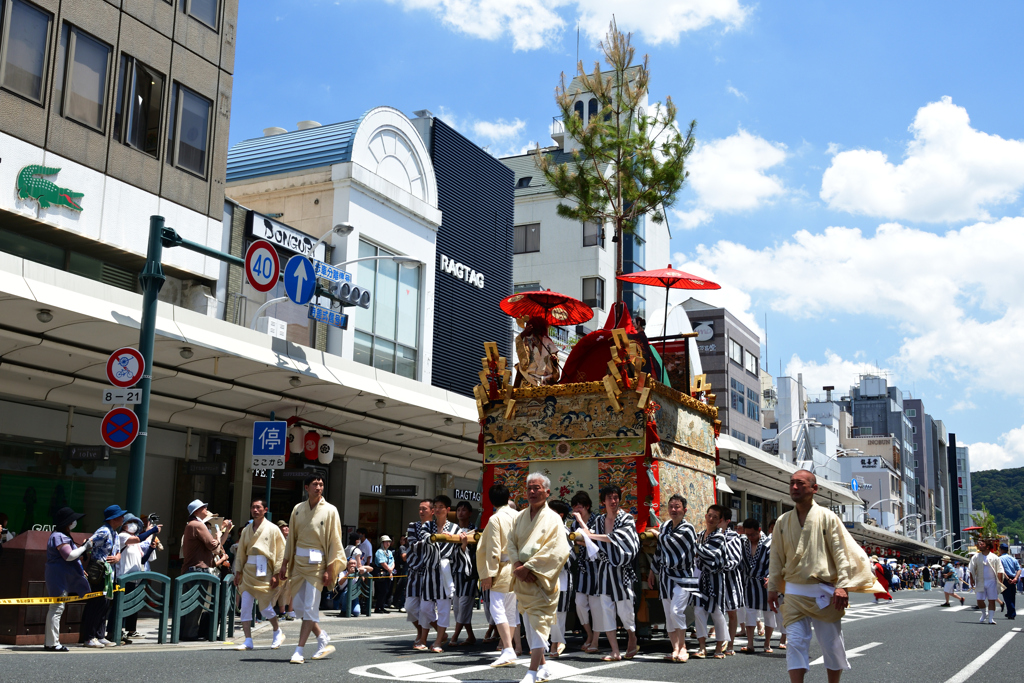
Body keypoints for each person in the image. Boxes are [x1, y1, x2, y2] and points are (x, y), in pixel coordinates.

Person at [767, 470, 882, 683]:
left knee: (831, 644)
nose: (794, 487)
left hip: (824, 591)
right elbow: (776, 557)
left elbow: (841, 554)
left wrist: (842, 585)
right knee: (795, 642)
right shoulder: (783, 521)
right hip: (794, 591)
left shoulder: (828, 517)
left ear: (814, 488)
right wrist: (772, 587)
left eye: (800, 484)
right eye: (791, 483)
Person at [508, 472, 570, 683]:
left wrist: (530, 567)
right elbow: (511, 542)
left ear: (547, 492)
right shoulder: (519, 517)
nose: (532, 492)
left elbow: (557, 549)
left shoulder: (553, 518)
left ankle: (532, 671)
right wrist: (517, 565)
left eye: (537, 488)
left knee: (539, 625)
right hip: (522, 578)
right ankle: (543, 666)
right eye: (529, 488)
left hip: (541, 579)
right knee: (530, 625)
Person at [279, 474, 344, 663]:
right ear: (306, 487)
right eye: (315, 484)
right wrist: (284, 563)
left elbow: (335, 541)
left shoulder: (331, 510)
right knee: (299, 608)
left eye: (321, 484)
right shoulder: (297, 509)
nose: (319, 487)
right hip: (298, 562)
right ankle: (322, 637)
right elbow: (291, 539)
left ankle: (299, 650)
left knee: (309, 607)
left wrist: (329, 568)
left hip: (318, 564)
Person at [572, 485, 639, 661]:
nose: (613, 501)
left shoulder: (627, 518)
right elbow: (592, 541)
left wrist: (591, 537)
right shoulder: (599, 521)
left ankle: (632, 636)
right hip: (603, 571)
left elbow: (619, 539)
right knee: (606, 610)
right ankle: (615, 651)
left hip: (621, 571)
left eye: (616, 497)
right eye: (609, 498)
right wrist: (586, 537)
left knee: (626, 611)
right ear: (603, 501)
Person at [647, 494, 696, 662]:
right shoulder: (666, 525)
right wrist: (653, 571)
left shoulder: (688, 528)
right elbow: (660, 550)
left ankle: (683, 647)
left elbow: (672, 542)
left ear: (684, 509)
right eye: (671, 507)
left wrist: (656, 533)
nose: (674, 510)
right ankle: (675, 647)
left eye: (677, 507)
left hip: (685, 576)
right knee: (669, 614)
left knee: (677, 611)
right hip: (666, 576)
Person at [234, 498, 286, 651]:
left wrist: (276, 573)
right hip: (249, 570)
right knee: (245, 606)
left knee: (265, 608)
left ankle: (277, 631)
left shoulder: (273, 529)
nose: (255, 510)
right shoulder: (246, 530)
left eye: (258, 507)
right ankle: (248, 639)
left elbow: (281, 552)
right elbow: (241, 552)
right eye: (253, 508)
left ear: (265, 510)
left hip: (265, 571)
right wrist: (238, 571)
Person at [477, 483, 520, 667]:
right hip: (518, 566)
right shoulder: (519, 515)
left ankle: (508, 648)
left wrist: (489, 573)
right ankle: (507, 648)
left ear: (491, 500)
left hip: (501, 567)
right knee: (510, 610)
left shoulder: (496, 518)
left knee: (497, 608)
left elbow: (494, 548)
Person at [44, 507, 92, 652]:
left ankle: (51, 642)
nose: (74, 522)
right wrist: (85, 547)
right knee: (56, 608)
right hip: (58, 577)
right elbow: (69, 555)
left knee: (56, 608)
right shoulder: (59, 536)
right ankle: (52, 643)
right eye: (72, 520)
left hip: (60, 576)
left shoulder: (59, 535)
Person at [81, 504, 126, 648]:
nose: (123, 518)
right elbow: (89, 543)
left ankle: (100, 635)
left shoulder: (115, 533)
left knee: (104, 604)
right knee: (96, 604)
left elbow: (118, 551)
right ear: (113, 518)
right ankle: (89, 636)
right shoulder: (104, 531)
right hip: (99, 572)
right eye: (120, 516)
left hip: (109, 574)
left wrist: (118, 557)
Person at [420, 495, 460, 652]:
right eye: (435, 506)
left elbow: (459, 550)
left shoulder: (455, 528)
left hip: (445, 571)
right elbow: (425, 539)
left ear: (448, 509)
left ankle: (437, 642)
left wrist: (459, 541)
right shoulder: (427, 526)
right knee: (424, 608)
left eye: (440, 506)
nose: (437, 509)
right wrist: (442, 537)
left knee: (443, 608)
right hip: (429, 570)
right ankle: (439, 633)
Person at [116, 514, 160, 642]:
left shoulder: (135, 541)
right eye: (130, 522)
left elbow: (142, 560)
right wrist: (152, 530)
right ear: (124, 524)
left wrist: (151, 549)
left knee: (133, 605)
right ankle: (116, 631)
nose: (133, 525)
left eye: (135, 522)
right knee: (121, 606)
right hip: (123, 577)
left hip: (135, 578)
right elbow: (139, 539)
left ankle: (130, 630)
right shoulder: (122, 536)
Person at [694, 504, 730, 659]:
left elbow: (709, 554)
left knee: (716, 612)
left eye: (715, 517)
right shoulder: (700, 535)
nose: (711, 519)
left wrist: (693, 545)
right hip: (701, 577)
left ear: (720, 520)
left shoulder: (719, 536)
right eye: (709, 515)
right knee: (698, 611)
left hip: (715, 578)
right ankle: (702, 647)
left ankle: (719, 647)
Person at [740, 518, 775, 654]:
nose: (750, 537)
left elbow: (774, 563)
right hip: (750, 582)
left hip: (765, 582)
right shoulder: (744, 543)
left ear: (759, 530)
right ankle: (750, 644)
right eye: (747, 534)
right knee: (750, 612)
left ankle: (767, 643)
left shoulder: (769, 543)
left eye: (752, 534)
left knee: (769, 612)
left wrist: (771, 577)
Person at [569, 491, 598, 653]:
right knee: (580, 604)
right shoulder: (573, 525)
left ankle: (594, 639)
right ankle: (589, 633)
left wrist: (581, 524)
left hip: (597, 567)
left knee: (596, 605)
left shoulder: (597, 520)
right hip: (582, 567)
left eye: (579, 508)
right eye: (574, 508)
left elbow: (594, 541)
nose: (576, 511)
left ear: (587, 507)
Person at [545, 499, 573, 658]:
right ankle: (553, 642)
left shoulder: (564, 531)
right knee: (550, 612)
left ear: (560, 515)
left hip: (561, 579)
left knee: (559, 613)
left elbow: (570, 556)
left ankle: (557, 643)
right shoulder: (547, 529)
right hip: (549, 578)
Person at [406, 499, 435, 648]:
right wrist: (432, 540)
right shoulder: (413, 526)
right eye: (420, 509)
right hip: (414, 571)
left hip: (431, 572)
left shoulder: (436, 527)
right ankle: (436, 630)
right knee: (410, 607)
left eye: (424, 509)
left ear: (432, 511)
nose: (421, 511)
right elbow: (413, 546)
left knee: (425, 608)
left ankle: (422, 637)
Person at [449, 501, 479, 645]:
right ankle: (471, 636)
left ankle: (454, 637)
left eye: (464, 510)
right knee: (458, 607)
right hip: (455, 572)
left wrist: (465, 545)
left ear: (470, 513)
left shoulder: (475, 530)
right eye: (458, 510)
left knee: (464, 604)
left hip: (470, 572)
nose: (460, 512)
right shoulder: (452, 530)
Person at [969, 540, 1005, 625]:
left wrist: (1000, 582)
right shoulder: (976, 556)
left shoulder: (995, 557)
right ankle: (984, 614)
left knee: (991, 600)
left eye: (982, 544)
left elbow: (1000, 569)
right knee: (979, 600)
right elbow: (971, 568)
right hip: (980, 580)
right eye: (979, 544)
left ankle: (991, 619)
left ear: (987, 546)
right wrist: (971, 579)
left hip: (992, 581)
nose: (979, 545)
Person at [274, 519, 294, 620]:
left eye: (287, 526)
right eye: (283, 526)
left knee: (285, 591)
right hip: (278, 568)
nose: (286, 528)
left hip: (288, 569)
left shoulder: (289, 540)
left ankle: (282, 612)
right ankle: (268, 612)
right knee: (276, 590)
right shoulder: (276, 539)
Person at [997, 543, 1020, 620]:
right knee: (1012, 596)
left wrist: (1007, 579)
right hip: (1014, 578)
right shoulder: (1013, 559)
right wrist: (1016, 578)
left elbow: (1001, 570)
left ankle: (1012, 613)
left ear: (1001, 550)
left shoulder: (1000, 559)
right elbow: (1019, 569)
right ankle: (1010, 612)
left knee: (1007, 596)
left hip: (1006, 579)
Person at [374, 535, 395, 614]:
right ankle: (378, 607)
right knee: (382, 590)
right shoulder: (379, 552)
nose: (388, 543)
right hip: (382, 573)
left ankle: (382, 606)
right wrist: (389, 570)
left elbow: (393, 562)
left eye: (389, 542)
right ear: (382, 543)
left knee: (387, 591)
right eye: (386, 542)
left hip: (389, 573)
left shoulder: (389, 552)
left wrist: (391, 570)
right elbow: (382, 562)